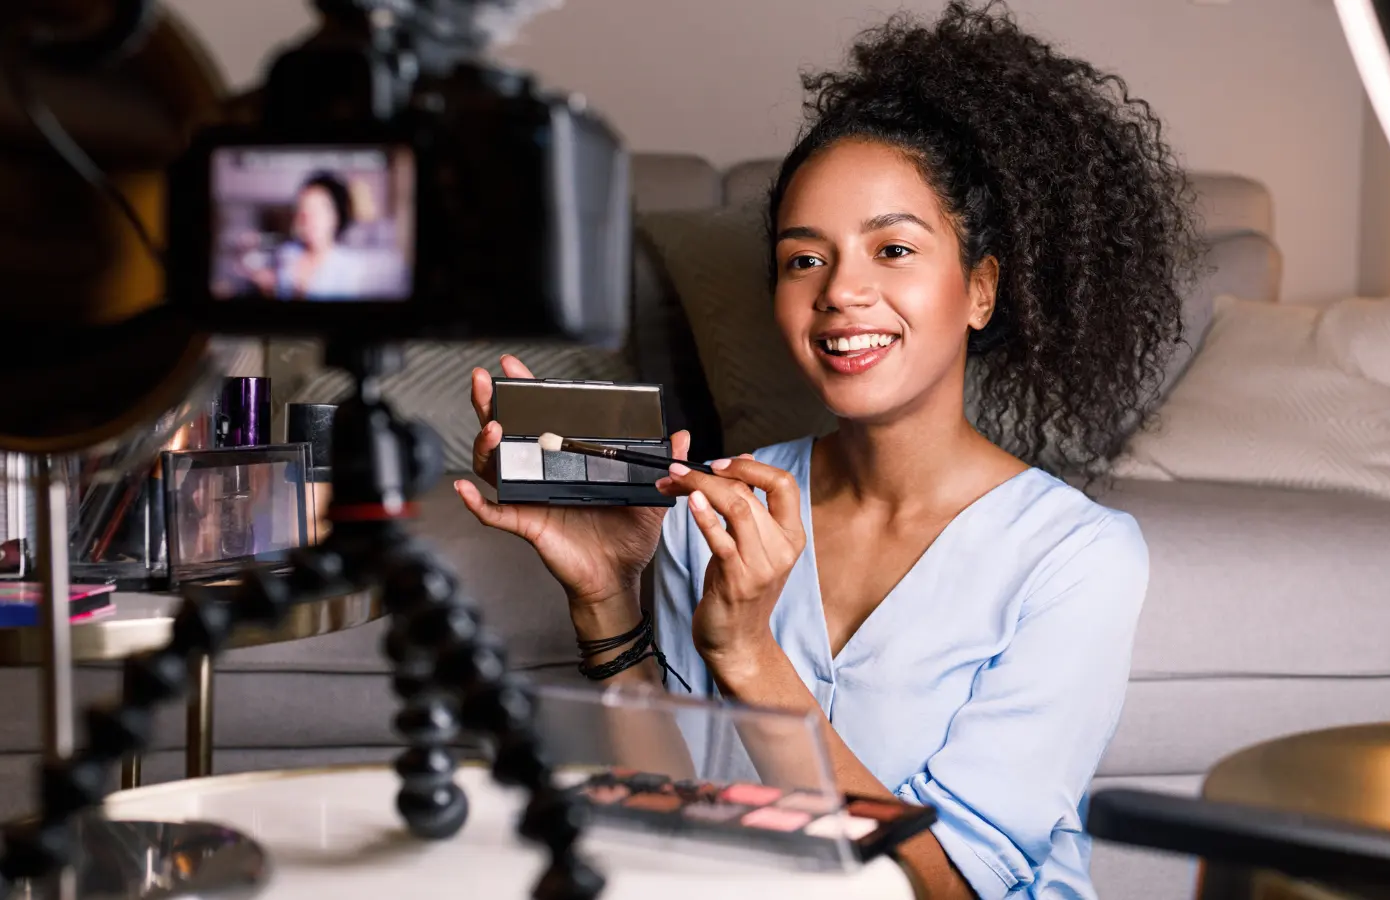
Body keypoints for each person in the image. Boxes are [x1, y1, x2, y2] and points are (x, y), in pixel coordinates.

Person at [455, 2, 1202, 896]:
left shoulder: (1075, 558)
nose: (843, 291)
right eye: (804, 259)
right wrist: (609, 599)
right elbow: (683, 819)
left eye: (892, 248)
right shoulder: (722, 513)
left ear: (981, 288)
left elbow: (950, 888)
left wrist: (751, 657)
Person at [246, 171, 373, 299]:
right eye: (304, 209)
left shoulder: (350, 267)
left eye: (317, 209)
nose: (308, 218)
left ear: (336, 215)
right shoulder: (287, 253)